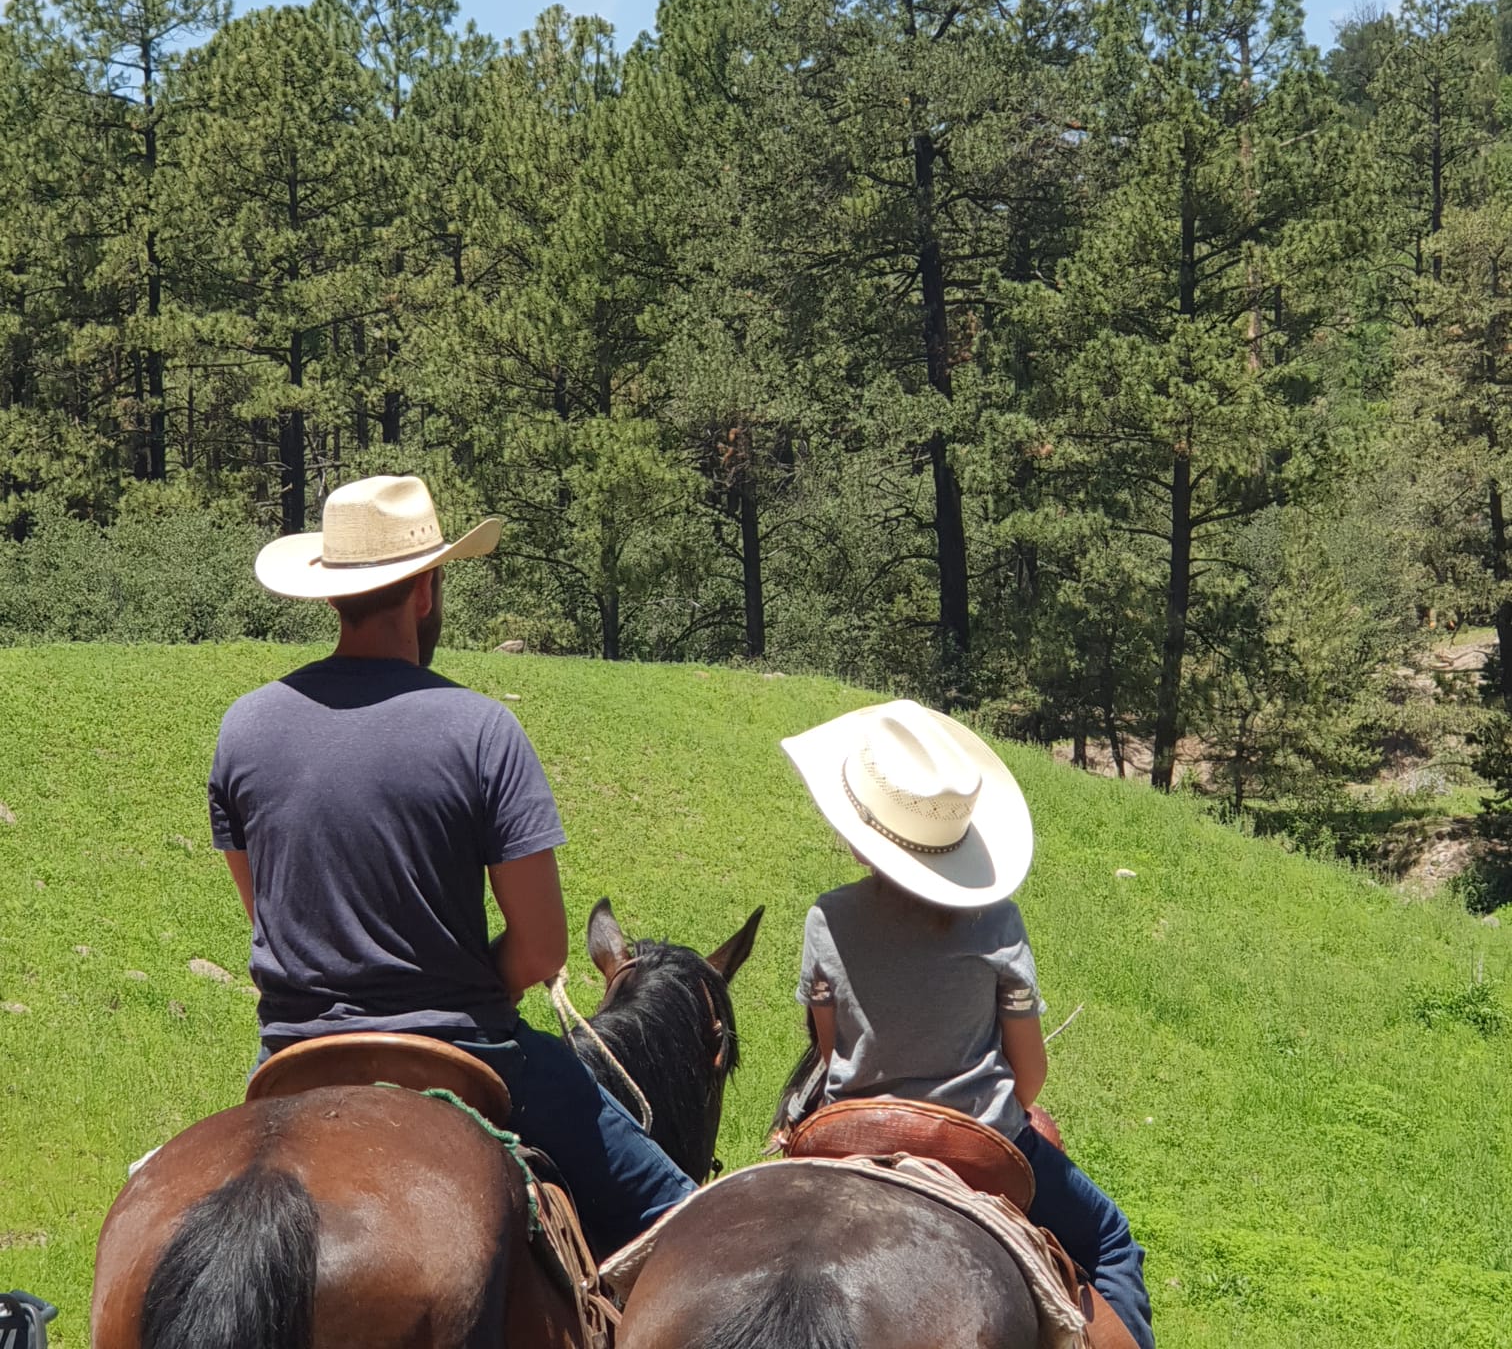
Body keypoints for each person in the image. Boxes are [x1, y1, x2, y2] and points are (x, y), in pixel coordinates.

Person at [208, 473, 694, 1258]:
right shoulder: (482, 731)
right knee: (680, 1222)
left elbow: (264, 914)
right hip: (463, 1053)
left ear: (331, 594)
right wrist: (462, 982)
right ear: (425, 590)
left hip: (291, 1062)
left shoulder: (244, 729)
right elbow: (542, 950)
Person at [781, 698, 1155, 1349]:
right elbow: (1030, 1077)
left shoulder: (826, 918)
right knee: (1110, 1242)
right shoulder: (996, 919)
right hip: (976, 1142)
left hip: (850, 1134)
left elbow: (828, 1046)